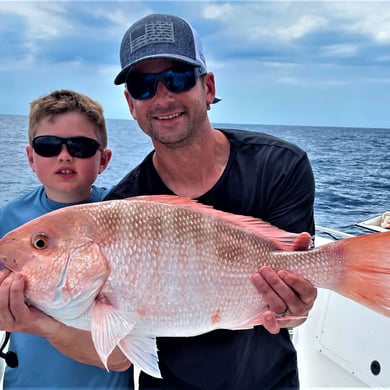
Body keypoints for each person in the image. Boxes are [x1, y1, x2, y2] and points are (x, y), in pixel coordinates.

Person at [104, 13, 317, 389]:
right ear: (130, 103)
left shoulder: (280, 166)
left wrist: (293, 309)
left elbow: (293, 297)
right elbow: (118, 340)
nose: (163, 96)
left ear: (208, 86)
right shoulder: (123, 205)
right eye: (143, 85)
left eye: (179, 77)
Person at [0, 89, 130, 389]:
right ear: (31, 157)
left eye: (81, 147)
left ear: (104, 159)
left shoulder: (124, 213)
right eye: (48, 146)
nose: (64, 155)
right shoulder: (8, 221)